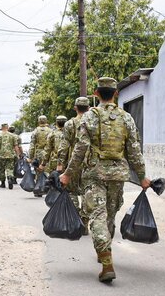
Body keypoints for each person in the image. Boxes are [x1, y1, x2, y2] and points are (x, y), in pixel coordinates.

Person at [59, 77, 151, 283]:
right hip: (118, 176)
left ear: (96, 93)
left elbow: (80, 150)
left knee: (97, 216)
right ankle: (105, 250)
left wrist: (67, 173)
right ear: (116, 93)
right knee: (109, 215)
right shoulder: (127, 118)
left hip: (95, 174)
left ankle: (106, 260)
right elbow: (134, 151)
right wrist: (143, 176)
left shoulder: (89, 117)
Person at [57, 96, 91, 234]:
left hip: (74, 163)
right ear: (88, 107)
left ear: (75, 108)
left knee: (71, 192)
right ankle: (85, 221)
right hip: (91, 164)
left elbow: (63, 146)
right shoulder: (94, 121)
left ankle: (76, 218)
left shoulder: (70, 124)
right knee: (87, 193)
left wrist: (60, 164)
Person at [28, 115, 52, 196]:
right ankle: (47, 188)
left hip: (38, 153)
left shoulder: (35, 131)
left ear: (39, 121)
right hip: (48, 153)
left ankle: (39, 189)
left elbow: (32, 145)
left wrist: (30, 157)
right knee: (47, 170)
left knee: (38, 170)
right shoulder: (50, 131)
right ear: (46, 121)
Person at [0, 123, 19, 189]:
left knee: (2, 169)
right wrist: (18, 154)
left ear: (2, 128)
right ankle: (10, 178)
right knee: (10, 169)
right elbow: (16, 146)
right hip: (11, 155)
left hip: (1, 155)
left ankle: (3, 183)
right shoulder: (12, 136)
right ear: (7, 127)